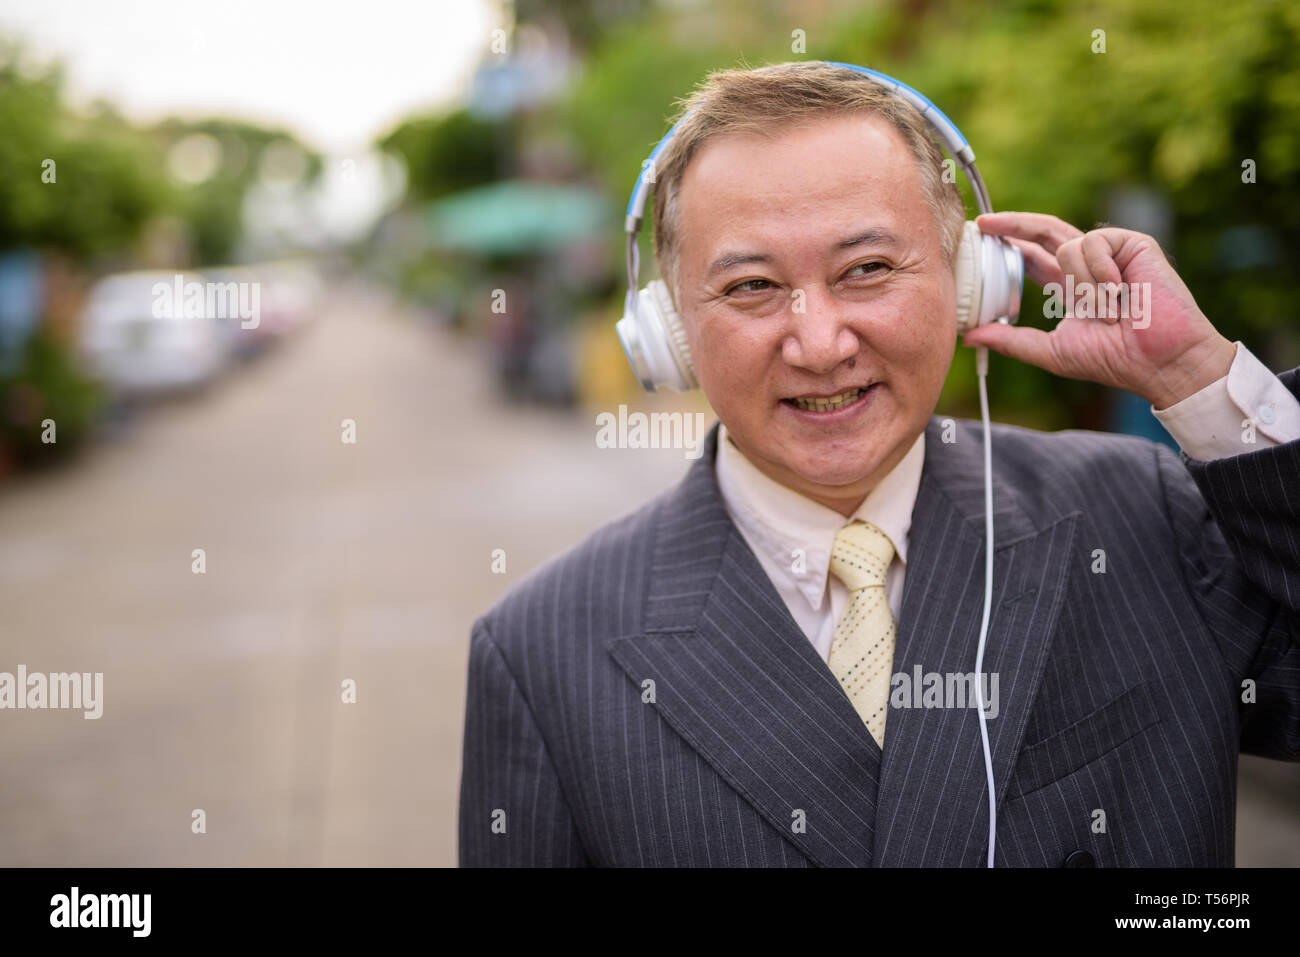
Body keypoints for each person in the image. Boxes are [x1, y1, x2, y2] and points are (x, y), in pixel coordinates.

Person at [457, 61, 1300, 866]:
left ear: (970, 281)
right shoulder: (540, 653)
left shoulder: (1147, 517)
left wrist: (1197, 377)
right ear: (669, 332)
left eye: (868, 270)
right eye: (751, 286)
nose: (820, 344)